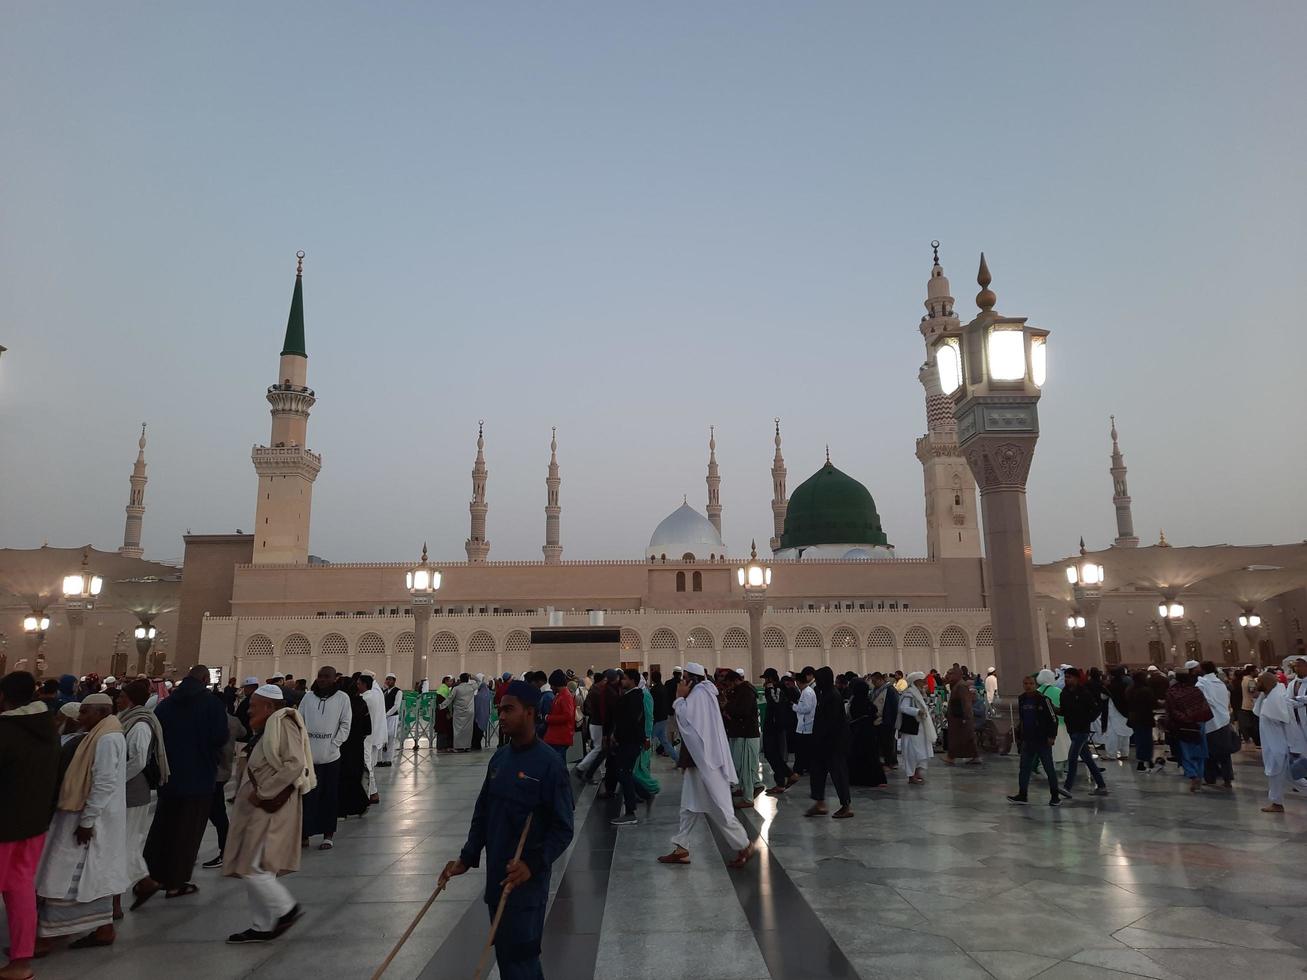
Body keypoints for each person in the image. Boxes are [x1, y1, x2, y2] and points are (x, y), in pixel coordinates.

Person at [439, 680, 574, 980]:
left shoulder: (549, 765)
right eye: (500, 710)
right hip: (497, 880)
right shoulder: (500, 758)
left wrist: (533, 864)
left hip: (526, 888)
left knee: (521, 960)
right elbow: (484, 812)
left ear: (529, 712)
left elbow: (563, 829)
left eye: (508, 710)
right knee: (507, 958)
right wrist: (467, 856)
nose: (501, 716)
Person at [34, 693, 128, 952]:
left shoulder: (107, 738)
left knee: (63, 873)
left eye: (86, 712)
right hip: (88, 816)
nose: (81, 716)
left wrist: (87, 821)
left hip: (88, 819)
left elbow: (104, 781)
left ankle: (49, 935)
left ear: (101, 712)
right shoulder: (103, 733)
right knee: (91, 875)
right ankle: (103, 928)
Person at [222, 684, 312, 943]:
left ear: (270, 707)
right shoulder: (267, 728)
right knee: (257, 867)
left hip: (271, 806)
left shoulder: (283, 725)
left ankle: (286, 909)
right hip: (259, 805)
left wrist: (265, 791)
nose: (249, 711)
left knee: (254, 868)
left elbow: (295, 763)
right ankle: (261, 926)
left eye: (253, 706)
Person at [136, 665, 228, 906]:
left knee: (163, 828)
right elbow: (220, 737)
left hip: (170, 776)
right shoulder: (212, 705)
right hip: (199, 776)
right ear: (206, 679)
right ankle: (175, 883)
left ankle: (149, 877)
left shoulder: (165, 705)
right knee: (188, 831)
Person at [657, 663, 753, 868]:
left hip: (707, 763)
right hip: (699, 762)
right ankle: (681, 848)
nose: (681, 681)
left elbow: (687, 722)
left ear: (692, 679)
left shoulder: (699, 695)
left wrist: (679, 697)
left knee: (719, 807)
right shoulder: (702, 694)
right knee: (689, 807)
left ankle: (744, 844)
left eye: (684, 678)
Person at [1, 671, 61, 980]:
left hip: (4, 829)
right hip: (33, 824)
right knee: (20, 889)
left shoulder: (6, 731)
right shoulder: (47, 728)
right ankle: (21, 963)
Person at [115, 680, 169, 893]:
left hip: (133, 789)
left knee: (127, 841)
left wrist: (117, 780)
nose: (117, 700)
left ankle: (120, 894)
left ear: (131, 699)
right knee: (126, 841)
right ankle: (145, 882)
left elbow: (138, 761)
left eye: (121, 697)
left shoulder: (139, 725)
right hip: (129, 788)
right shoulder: (127, 719)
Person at [299, 666, 350, 850]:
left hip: (331, 757)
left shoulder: (342, 698)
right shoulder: (308, 697)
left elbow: (345, 723)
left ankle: (328, 834)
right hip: (309, 756)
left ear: (334, 679)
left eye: (326, 677)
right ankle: (304, 833)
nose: (322, 680)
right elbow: (300, 721)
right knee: (307, 796)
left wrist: (334, 744)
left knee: (329, 796)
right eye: (320, 676)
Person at [805, 667, 853, 818]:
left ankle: (846, 806)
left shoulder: (833, 695)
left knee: (838, 774)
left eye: (819, 680)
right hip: (822, 743)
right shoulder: (824, 693)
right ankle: (820, 803)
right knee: (817, 772)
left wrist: (820, 739)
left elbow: (831, 723)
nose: (817, 683)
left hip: (833, 744)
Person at [607, 669, 652, 826]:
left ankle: (630, 812)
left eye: (625, 679)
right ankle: (645, 793)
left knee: (623, 772)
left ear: (632, 680)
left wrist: (618, 735)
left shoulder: (634, 697)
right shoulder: (631, 696)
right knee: (623, 772)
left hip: (629, 741)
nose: (622, 681)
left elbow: (630, 721)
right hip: (628, 741)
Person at [1008, 674, 1061, 806]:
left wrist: (1052, 736)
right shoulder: (1022, 699)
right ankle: (1022, 794)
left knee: (1049, 768)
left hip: (1042, 740)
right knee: (1024, 768)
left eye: (1031, 684)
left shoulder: (1044, 699)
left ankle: (1055, 796)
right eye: (1026, 684)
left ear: (1035, 685)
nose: (1028, 686)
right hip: (1028, 739)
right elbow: (1022, 718)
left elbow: (1053, 719)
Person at [1059, 668, 1108, 798]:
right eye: (1066, 677)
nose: (1067, 679)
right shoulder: (1064, 693)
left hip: (1081, 731)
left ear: (1076, 678)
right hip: (1072, 729)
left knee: (1072, 757)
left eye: (1069, 677)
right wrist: (1054, 710)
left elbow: (1096, 708)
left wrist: (1087, 719)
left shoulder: (1084, 693)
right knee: (1087, 759)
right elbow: (1064, 710)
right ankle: (1101, 785)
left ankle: (1068, 787)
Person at [1164, 670, 1212, 793]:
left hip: (1182, 725)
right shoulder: (1196, 691)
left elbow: (1171, 710)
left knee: (1186, 752)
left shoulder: (1172, 692)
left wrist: (1184, 718)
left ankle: (1192, 774)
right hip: (1198, 723)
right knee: (1200, 750)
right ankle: (1200, 776)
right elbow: (1204, 707)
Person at [721, 669, 764, 805]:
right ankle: (745, 789)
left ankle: (748, 798)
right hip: (742, 733)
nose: (728, 687)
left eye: (729, 683)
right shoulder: (740, 691)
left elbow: (742, 711)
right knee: (740, 765)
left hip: (748, 734)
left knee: (747, 767)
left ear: (735, 680)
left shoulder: (746, 692)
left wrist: (727, 706)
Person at [1253, 671, 1294, 813]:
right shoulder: (1269, 696)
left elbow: (1282, 718)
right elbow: (1258, 711)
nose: (1257, 684)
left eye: (1259, 682)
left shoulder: (1275, 699)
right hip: (1272, 744)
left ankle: (1277, 803)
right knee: (1291, 776)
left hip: (1277, 745)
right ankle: (1276, 802)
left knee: (1278, 774)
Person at [336, 676, 372, 820]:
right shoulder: (361, 703)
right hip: (357, 745)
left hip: (342, 746)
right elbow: (367, 728)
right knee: (354, 776)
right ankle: (360, 805)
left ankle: (343, 810)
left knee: (343, 777)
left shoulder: (341, 704)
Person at [1196, 660, 1234, 788]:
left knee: (1209, 753)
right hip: (1224, 720)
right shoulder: (1221, 684)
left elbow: (1203, 701)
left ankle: (1210, 778)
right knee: (1224, 753)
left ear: (1203, 670)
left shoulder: (1201, 683)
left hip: (1210, 722)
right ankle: (1227, 778)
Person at [760, 668, 795, 794]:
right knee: (771, 754)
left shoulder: (777, 688)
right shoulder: (774, 688)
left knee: (773, 753)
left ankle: (786, 777)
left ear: (770, 678)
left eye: (766, 678)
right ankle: (784, 778)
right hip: (771, 725)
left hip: (775, 727)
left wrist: (769, 689)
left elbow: (775, 702)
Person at [847, 677, 886, 787]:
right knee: (871, 756)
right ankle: (873, 779)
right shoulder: (866, 701)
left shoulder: (854, 701)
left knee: (857, 756)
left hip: (856, 733)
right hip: (868, 732)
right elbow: (874, 711)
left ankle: (856, 779)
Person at [898, 672, 936, 785]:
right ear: (915, 681)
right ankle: (911, 775)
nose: (924, 682)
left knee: (922, 752)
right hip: (912, 729)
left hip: (921, 729)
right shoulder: (909, 694)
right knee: (912, 752)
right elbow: (903, 708)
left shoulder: (919, 693)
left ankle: (917, 772)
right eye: (922, 680)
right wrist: (917, 711)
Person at [357, 673, 386, 804]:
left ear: (364, 684)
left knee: (366, 763)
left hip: (365, 735)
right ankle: (371, 792)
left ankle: (371, 793)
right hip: (372, 733)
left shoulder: (364, 698)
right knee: (368, 762)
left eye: (359, 683)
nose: (357, 686)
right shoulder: (376, 695)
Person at [944, 672, 980, 766]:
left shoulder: (961, 686)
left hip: (960, 718)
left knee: (960, 738)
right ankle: (973, 756)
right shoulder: (958, 685)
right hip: (958, 717)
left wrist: (965, 717)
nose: (949, 676)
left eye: (951, 674)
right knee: (962, 738)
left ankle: (951, 757)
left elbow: (966, 702)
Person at [543, 670, 576, 765]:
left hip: (560, 737)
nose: (551, 687)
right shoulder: (561, 695)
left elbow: (567, 716)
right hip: (558, 737)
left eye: (552, 685)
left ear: (556, 684)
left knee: (558, 764)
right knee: (558, 763)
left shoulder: (565, 696)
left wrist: (548, 718)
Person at [870, 672, 899, 770]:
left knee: (888, 743)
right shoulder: (876, 690)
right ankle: (887, 761)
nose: (873, 683)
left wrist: (891, 720)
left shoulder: (890, 690)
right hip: (878, 721)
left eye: (874, 681)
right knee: (882, 742)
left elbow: (894, 706)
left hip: (887, 721)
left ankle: (889, 762)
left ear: (880, 680)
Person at [792, 667, 817, 777]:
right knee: (804, 750)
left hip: (805, 727)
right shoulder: (807, 691)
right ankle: (804, 767)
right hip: (804, 726)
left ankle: (799, 769)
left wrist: (794, 707)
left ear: (798, 682)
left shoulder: (807, 693)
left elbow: (806, 709)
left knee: (801, 750)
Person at [650, 669, 678, 763]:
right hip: (664, 718)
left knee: (648, 740)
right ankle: (677, 759)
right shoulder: (663, 688)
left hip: (657, 719)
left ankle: (643, 763)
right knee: (665, 742)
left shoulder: (654, 690)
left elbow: (653, 706)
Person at [447, 673, 478, 753]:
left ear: (460, 679)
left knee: (458, 730)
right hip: (469, 712)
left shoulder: (456, 688)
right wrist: (473, 677)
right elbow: (479, 682)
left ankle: (457, 747)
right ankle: (467, 747)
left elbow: (450, 699)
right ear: (468, 679)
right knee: (468, 730)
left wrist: (441, 706)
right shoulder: (471, 687)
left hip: (458, 712)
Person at [379, 674, 401, 766]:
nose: (388, 681)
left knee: (391, 738)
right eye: (387, 679)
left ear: (394, 681)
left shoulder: (398, 691)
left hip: (392, 718)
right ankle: (380, 760)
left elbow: (396, 706)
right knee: (383, 738)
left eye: (390, 679)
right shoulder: (385, 691)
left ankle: (389, 760)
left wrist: (387, 714)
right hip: (384, 718)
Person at [473, 674, 492, 750]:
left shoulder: (478, 696)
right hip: (485, 716)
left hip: (477, 717)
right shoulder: (487, 694)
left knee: (476, 732)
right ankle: (477, 745)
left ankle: (476, 745)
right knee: (480, 732)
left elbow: (476, 707)